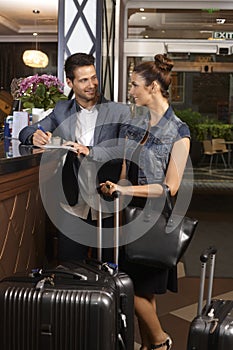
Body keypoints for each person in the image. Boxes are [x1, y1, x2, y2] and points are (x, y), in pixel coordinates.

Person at [100, 54, 190, 350]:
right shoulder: (133, 126)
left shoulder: (179, 131)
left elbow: (170, 187)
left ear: (152, 87)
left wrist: (127, 192)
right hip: (126, 217)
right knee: (141, 292)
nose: (130, 91)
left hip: (152, 220)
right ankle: (154, 347)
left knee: (133, 290)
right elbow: (126, 172)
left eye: (134, 85)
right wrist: (115, 188)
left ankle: (161, 342)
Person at [19, 52, 131, 262]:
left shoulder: (118, 112)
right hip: (72, 205)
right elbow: (25, 131)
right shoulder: (62, 110)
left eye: (94, 77)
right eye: (84, 80)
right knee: (70, 269)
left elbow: (123, 150)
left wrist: (91, 151)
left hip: (107, 205)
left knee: (109, 271)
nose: (92, 84)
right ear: (70, 82)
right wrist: (33, 135)